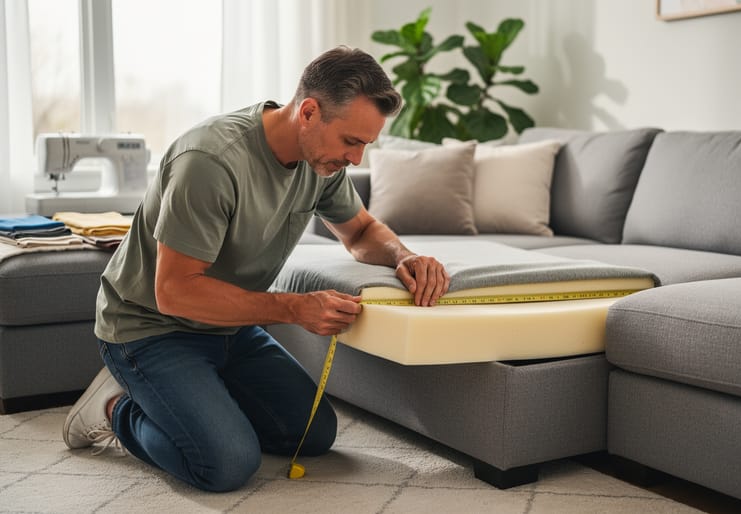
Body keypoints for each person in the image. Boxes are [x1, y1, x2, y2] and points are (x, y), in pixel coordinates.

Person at [62, 46, 450, 492]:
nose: (357, 159)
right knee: (226, 464)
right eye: (351, 142)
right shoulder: (210, 162)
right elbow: (175, 292)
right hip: (150, 328)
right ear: (308, 112)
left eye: (365, 144)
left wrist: (404, 256)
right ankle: (116, 408)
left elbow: (360, 232)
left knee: (313, 435)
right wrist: (294, 309)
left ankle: (199, 400)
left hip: (229, 328)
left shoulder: (319, 164)